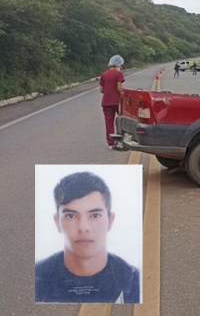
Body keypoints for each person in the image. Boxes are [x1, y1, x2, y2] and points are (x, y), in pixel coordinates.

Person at [35, 172, 140, 303]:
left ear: (110, 221)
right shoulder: (37, 278)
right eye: (71, 216)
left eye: (95, 215)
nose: (83, 227)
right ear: (57, 222)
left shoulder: (133, 280)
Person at [99, 55, 125, 150]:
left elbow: (102, 90)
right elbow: (119, 88)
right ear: (117, 64)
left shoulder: (104, 74)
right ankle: (122, 141)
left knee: (109, 123)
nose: (121, 67)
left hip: (106, 102)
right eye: (121, 65)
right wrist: (123, 94)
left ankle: (111, 143)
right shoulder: (119, 74)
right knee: (122, 121)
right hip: (118, 102)